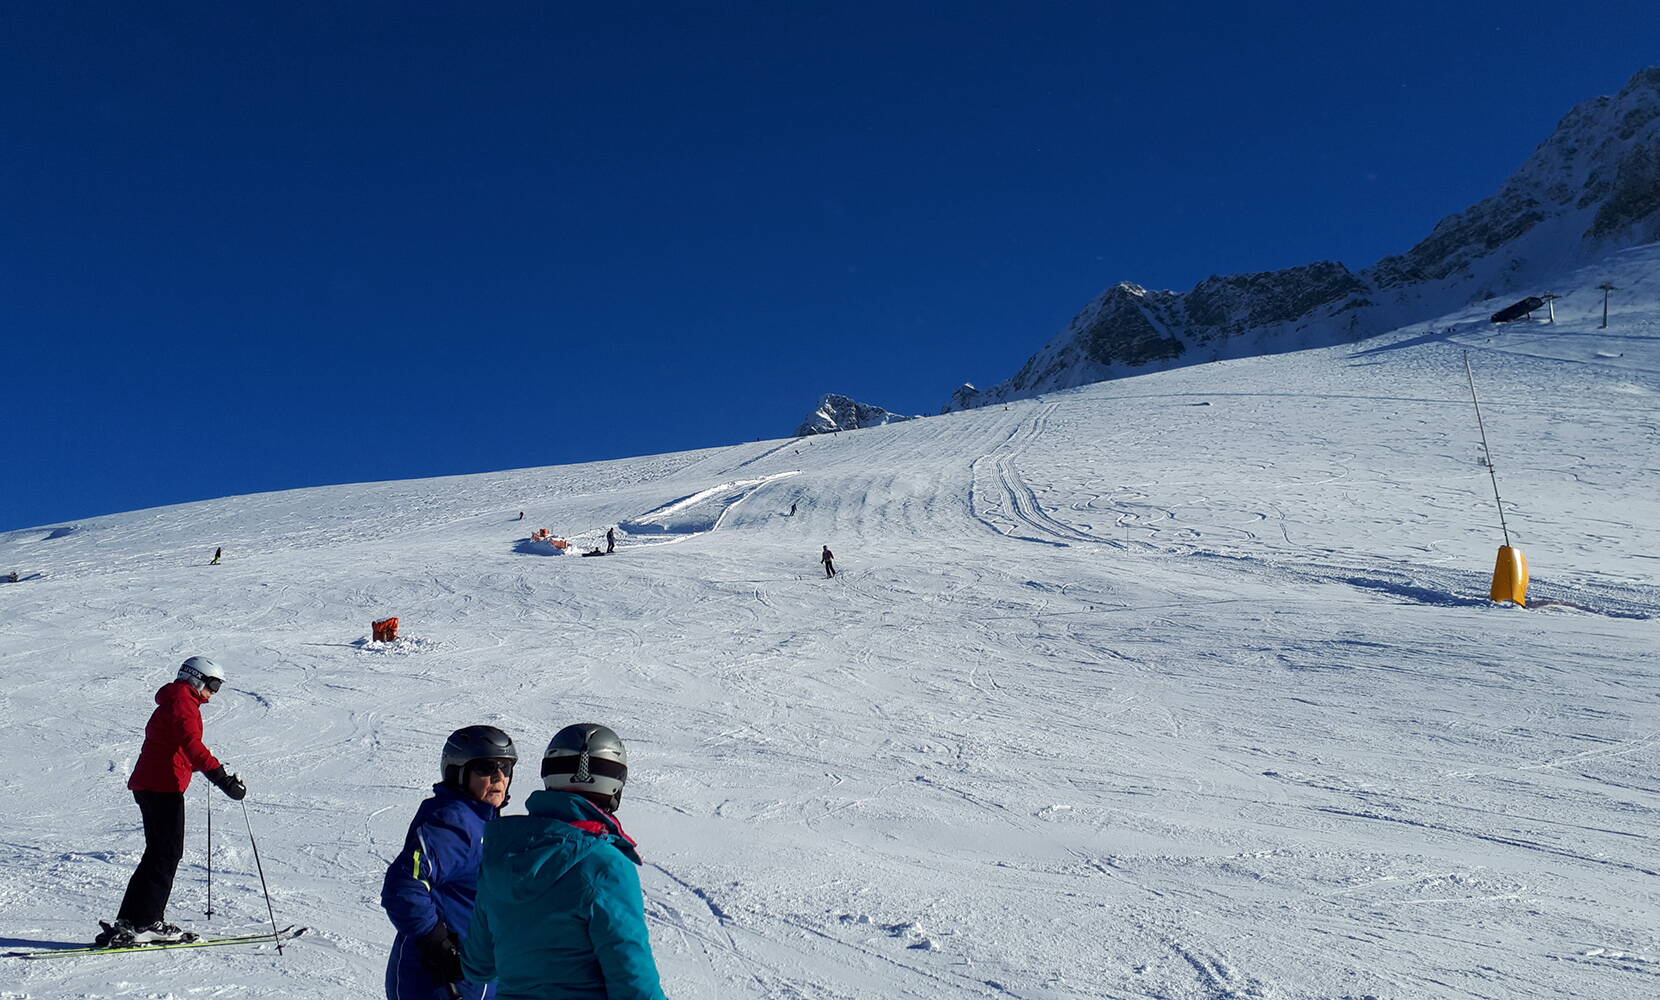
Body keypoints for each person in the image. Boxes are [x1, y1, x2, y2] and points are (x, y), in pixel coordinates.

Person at [463, 724, 666, 1000]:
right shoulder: (604, 865)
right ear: (615, 783)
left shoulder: (502, 856)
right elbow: (634, 985)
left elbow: (478, 965)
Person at [95, 657, 246, 947]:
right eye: (213, 685)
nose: (214, 693)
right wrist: (222, 778)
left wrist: (215, 771)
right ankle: (147, 922)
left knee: (157, 854)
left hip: (153, 783)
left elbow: (183, 747)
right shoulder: (182, 704)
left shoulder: (177, 701)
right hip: (162, 786)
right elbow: (192, 745)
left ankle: (131, 920)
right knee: (166, 854)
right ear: (195, 678)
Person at [382, 725, 517, 1000]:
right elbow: (404, 885)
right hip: (438, 983)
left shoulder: (483, 821)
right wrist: (437, 943)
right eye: (486, 768)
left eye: (505, 768)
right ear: (458, 772)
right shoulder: (453, 823)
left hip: (473, 978)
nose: (498, 777)